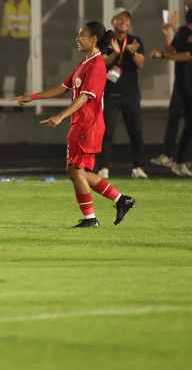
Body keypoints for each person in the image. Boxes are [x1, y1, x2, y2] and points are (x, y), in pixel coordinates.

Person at [12, 22, 137, 228]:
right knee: (80, 172)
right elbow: (63, 88)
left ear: (94, 39)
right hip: (83, 124)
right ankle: (121, 200)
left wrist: (60, 116)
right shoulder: (84, 64)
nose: (78, 39)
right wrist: (31, 97)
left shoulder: (97, 65)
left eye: (82, 35)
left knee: (75, 171)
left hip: (87, 125)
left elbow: (85, 98)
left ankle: (90, 219)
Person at [95, 8, 147, 179]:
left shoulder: (135, 41)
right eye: (120, 18)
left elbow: (141, 64)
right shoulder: (106, 40)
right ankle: (103, 167)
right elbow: (101, 63)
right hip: (111, 93)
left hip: (131, 93)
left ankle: (138, 167)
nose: (124, 21)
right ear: (113, 22)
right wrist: (116, 53)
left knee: (136, 132)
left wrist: (132, 53)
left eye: (126, 18)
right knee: (107, 132)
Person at [149, 5, 192, 175]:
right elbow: (175, 52)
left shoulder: (182, 31)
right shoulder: (182, 32)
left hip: (187, 83)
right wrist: (168, 36)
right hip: (183, 84)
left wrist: (163, 54)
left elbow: (183, 54)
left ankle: (177, 159)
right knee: (180, 120)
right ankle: (174, 158)